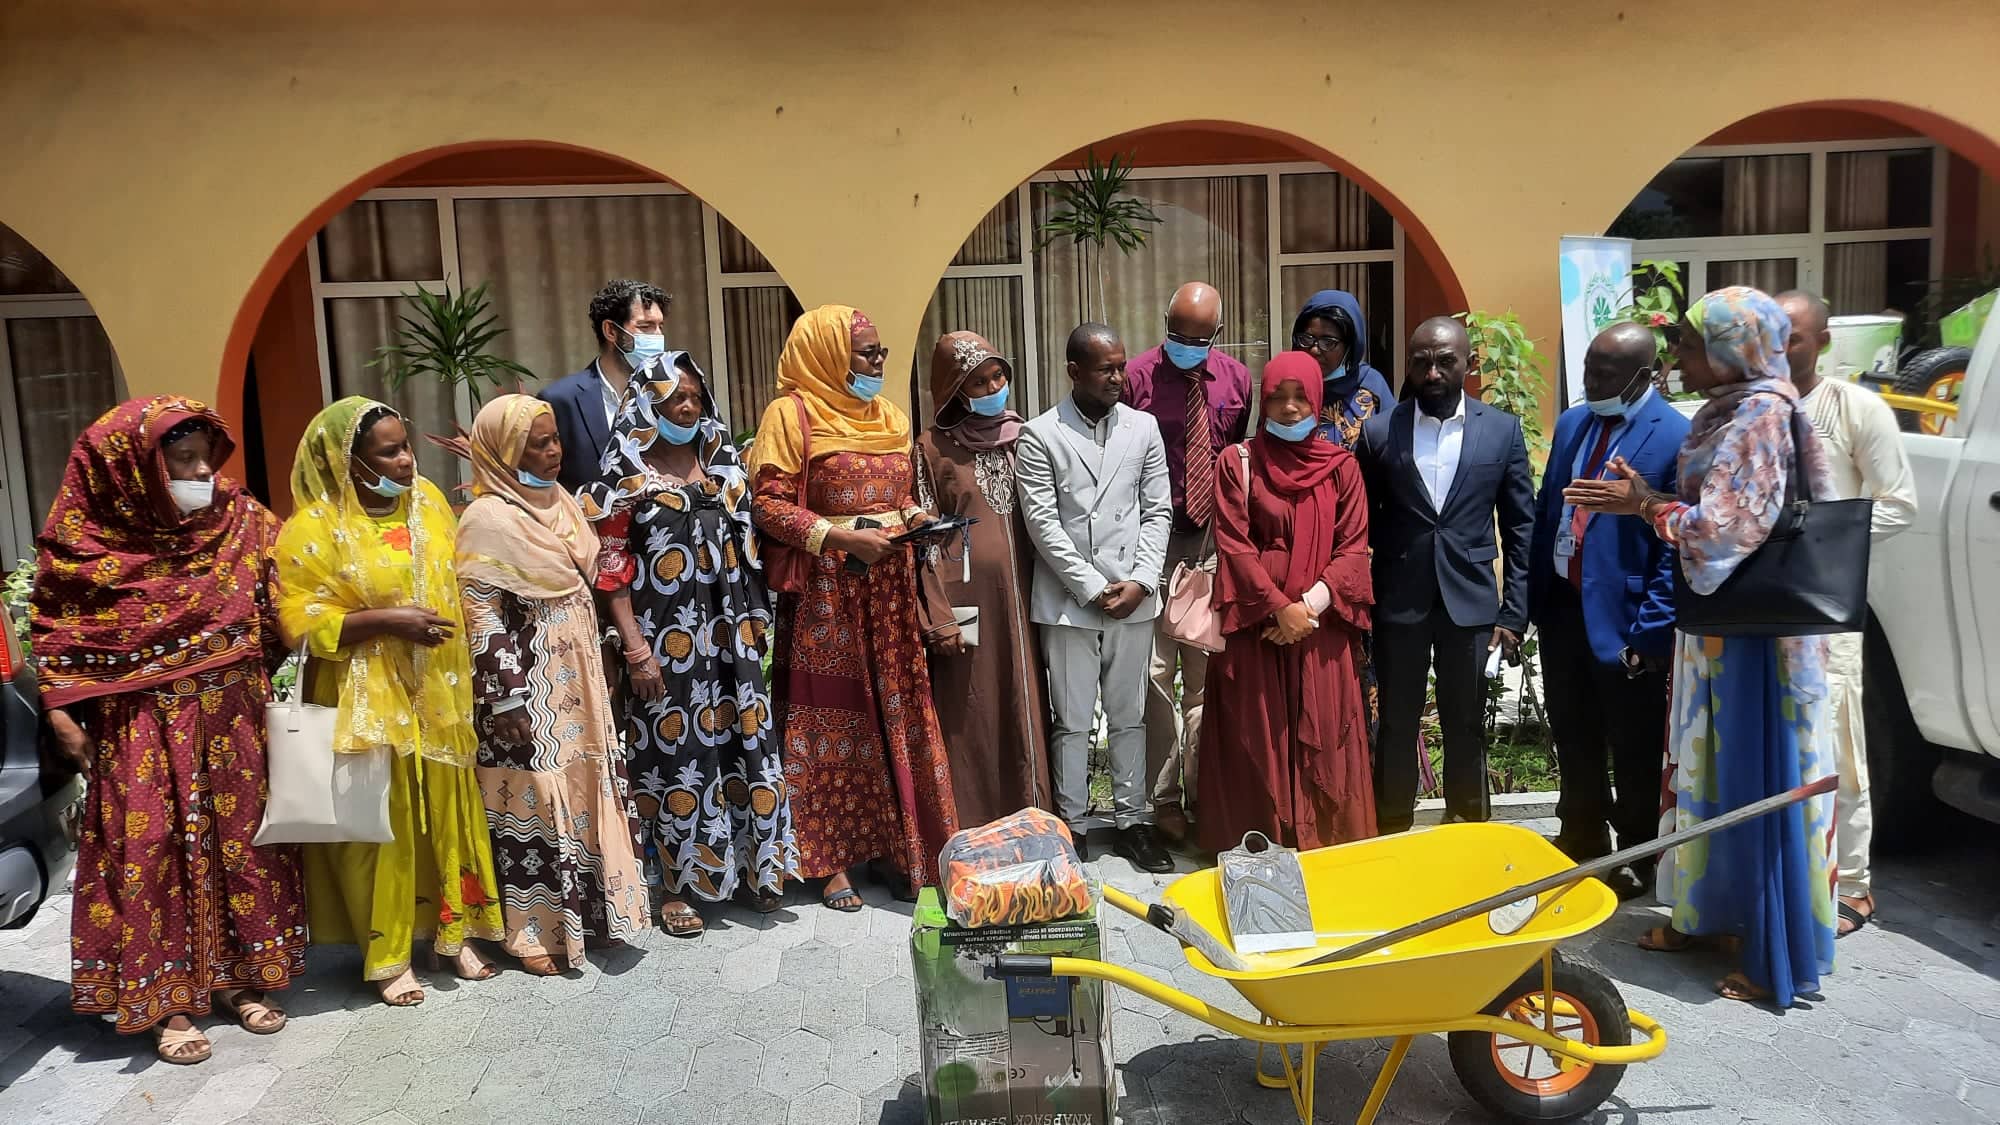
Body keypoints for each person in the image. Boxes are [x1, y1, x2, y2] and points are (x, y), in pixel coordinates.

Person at [1568, 285, 1837, 1007]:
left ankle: (1766, 949)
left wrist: (1648, 507)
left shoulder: (1760, 417)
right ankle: (1706, 913)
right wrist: (1646, 503)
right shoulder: (1728, 410)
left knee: (1752, 784)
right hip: (1717, 630)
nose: (1678, 357)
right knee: (1704, 774)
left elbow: (1722, 533)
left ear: (1729, 351)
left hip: (1756, 647)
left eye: (1688, 344)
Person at [32, 397, 305, 1064]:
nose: (202, 471)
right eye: (182, 460)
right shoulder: (90, 542)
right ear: (134, 470)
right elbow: (55, 633)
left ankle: (240, 978)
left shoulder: (240, 520)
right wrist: (61, 712)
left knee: (237, 842)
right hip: (140, 727)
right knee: (151, 848)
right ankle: (170, 1000)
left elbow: (291, 592)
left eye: (206, 457)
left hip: (233, 717)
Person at [277, 398, 504, 1006]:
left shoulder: (427, 502)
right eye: (389, 451)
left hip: (437, 693)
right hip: (363, 701)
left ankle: (453, 934)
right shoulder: (314, 527)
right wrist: (382, 621)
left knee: (448, 812)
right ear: (346, 461)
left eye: (406, 446)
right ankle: (388, 956)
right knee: (382, 829)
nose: (406, 461)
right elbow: (297, 625)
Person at [748, 305, 958, 911]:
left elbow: (904, 497)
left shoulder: (889, 415)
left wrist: (921, 522)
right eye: (865, 353)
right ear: (826, 356)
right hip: (827, 595)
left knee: (899, 713)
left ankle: (904, 849)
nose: (878, 363)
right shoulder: (791, 415)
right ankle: (830, 862)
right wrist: (842, 539)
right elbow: (768, 507)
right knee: (832, 721)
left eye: (880, 352)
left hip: (888, 592)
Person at [581, 352, 799, 931]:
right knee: (676, 757)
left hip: (733, 643)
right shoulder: (624, 479)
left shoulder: (726, 470)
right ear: (645, 403)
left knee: (744, 745)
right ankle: (677, 884)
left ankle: (756, 868)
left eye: (695, 398)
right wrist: (634, 648)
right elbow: (611, 570)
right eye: (675, 397)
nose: (687, 406)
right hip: (665, 648)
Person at [455, 394, 649, 970]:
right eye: (536, 443)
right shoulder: (486, 519)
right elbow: (480, 612)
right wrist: (507, 692)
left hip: (577, 678)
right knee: (533, 798)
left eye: (555, 439)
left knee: (586, 782)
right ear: (503, 451)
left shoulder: (561, 503)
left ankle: (595, 915)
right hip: (524, 685)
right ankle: (532, 933)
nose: (553, 451)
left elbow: (585, 585)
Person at [1527, 323, 1689, 900]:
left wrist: (1648, 636)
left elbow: (1676, 552)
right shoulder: (1574, 422)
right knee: (1574, 731)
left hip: (1626, 620)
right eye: (1588, 369)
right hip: (1565, 608)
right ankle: (1581, 833)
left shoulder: (1675, 435)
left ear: (1646, 376)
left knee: (1634, 744)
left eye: (1605, 374)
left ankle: (1639, 854)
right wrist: (1533, 601)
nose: (1592, 382)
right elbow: (1549, 512)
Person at [1357, 316, 1535, 833]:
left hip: (1472, 605)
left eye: (1444, 360)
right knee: (1395, 723)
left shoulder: (1501, 431)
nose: (1431, 371)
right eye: (1420, 361)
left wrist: (1514, 611)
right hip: (1400, 602)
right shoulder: (1377, 432)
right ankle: (1391, 828)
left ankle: (1468, 829)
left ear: (1468, 363)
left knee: (1465, 726)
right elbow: (1360, 526)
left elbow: (1521, 527)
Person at [1776, 289, 1917, 937]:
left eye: (1795, 336)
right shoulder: (1757, 408)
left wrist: (1818, 539)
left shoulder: (1856, 408)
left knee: (1839, 744)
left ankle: (1854, 887)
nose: (1780, 347)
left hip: (1826, 610)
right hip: (1762, 609)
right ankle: (1788, 876)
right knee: (1777, 746)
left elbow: (1898, 503)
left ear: (1823, 342)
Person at [1196, 352, 1376, 852]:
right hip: (1258, 630)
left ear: (1318, 400)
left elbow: (1353, 548)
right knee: (1259, 737)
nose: (1291, 408)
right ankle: (1259, 842)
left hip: (1320, 633)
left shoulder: (1342, 468)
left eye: (1301, 397)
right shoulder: (1237, 462)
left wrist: (1308, 608)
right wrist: (1279, 608)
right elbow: (1233, 543)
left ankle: (1323, 843)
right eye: (1278, 397)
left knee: (1324, 733)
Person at [1017, 323, 1175, 872]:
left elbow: (1158, 510)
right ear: (1073, 372)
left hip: (1134, 595)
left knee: (1131, 715)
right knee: (1073, 719)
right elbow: (1041, 521)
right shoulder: (1040, 435)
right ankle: (1073, 824)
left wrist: (1142, 581)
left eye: (1121, 365)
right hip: (1069, 602)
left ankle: (1134, 821)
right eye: (1105, 368)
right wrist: (1089, 586)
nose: (1117, 376)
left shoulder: (1144, 427)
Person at [1120, 282, 1251, 844]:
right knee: (1153, 675)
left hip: (1211, 545)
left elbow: (1234, 456)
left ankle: (1204, 796)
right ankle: (1163, 799)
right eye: (1178, 336)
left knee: (1203, 674)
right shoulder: (1137, 378)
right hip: (1154, 539)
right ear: (1163, 324)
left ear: (1217, 333)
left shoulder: (1238, 379)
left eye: (1199, 339)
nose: (1188, 346)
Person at [913, 330, 1054, 826]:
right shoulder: (931, 449)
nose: (994, 386)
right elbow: (923, 539)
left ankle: (1035, 818)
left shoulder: (1029, 437)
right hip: (967, 603)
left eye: (998, 375)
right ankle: (970, 826)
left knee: (1029, 699)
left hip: (1033, 596)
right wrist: (937, 615)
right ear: (954, 391)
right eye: (978, 382)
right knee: (972, 709)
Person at [541, 279, 671, 492]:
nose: (658, 336)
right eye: (645, 326)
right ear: (611, 331)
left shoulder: (670, 396)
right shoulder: (560, 401)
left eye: (660, 326)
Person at [1291, 289, 1395, 451]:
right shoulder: (1286, 387)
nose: (1314, 350)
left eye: (1328, 341)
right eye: (1307, 339)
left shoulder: (1372, 387)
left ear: (1350, 347)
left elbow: (1392, 450)